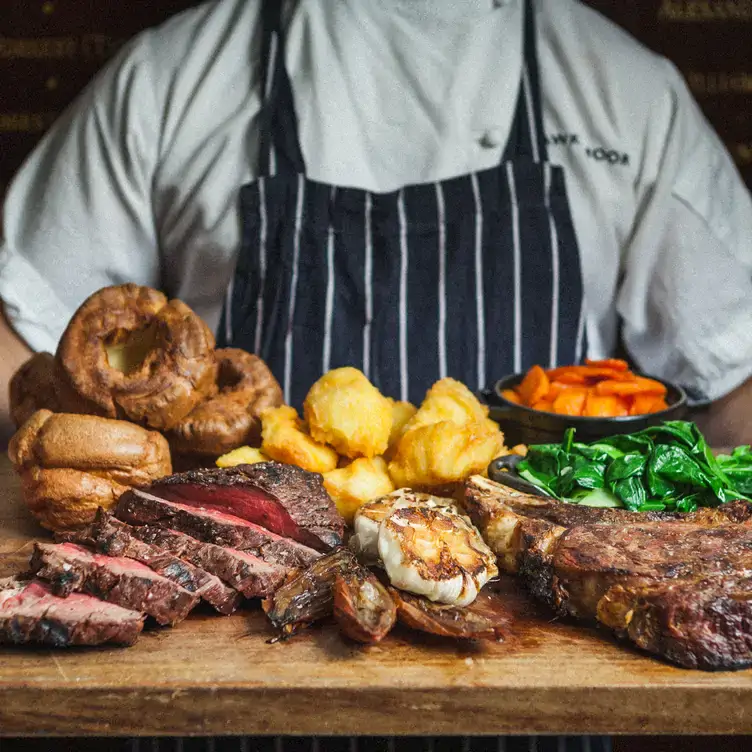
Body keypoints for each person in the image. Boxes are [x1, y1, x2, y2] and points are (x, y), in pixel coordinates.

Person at [0, 2, 749, 750]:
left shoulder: (623, 89)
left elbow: (735, 378)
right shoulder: (169, 78)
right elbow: (19, 334)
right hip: (235, 658)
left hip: (531, 667)